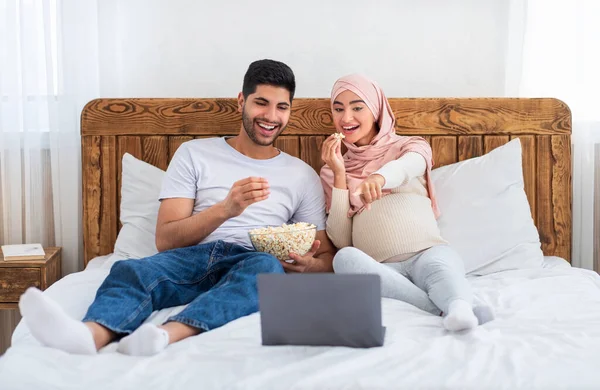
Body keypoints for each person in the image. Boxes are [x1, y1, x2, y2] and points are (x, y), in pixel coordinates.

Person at [19, 59, 336, 356]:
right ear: (242, 101)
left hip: (254, 260)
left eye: (282, 107)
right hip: (193, 257)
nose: (271, 116)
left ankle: (164, 335)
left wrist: (309, 267)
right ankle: (90, 335)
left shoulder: (300, 175)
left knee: (266, 271)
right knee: (132, 270)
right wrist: (226, 208)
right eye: (261, 103)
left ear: (290, 111)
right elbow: (165, 240)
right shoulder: (194, 154)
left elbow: (326, 256)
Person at [320, 74, 493, 332]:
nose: (346, 118)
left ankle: (458, 308)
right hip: (382, 269)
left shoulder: (409, 146)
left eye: (357, 107)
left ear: (376, 109)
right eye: (338, 108)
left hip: (427, 252)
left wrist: (380, 177)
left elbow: (413, 164)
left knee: (440, 269)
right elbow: (343, 240)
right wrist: (340, 175)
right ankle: (447, 307)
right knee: (343, 259)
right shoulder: (331, 171)